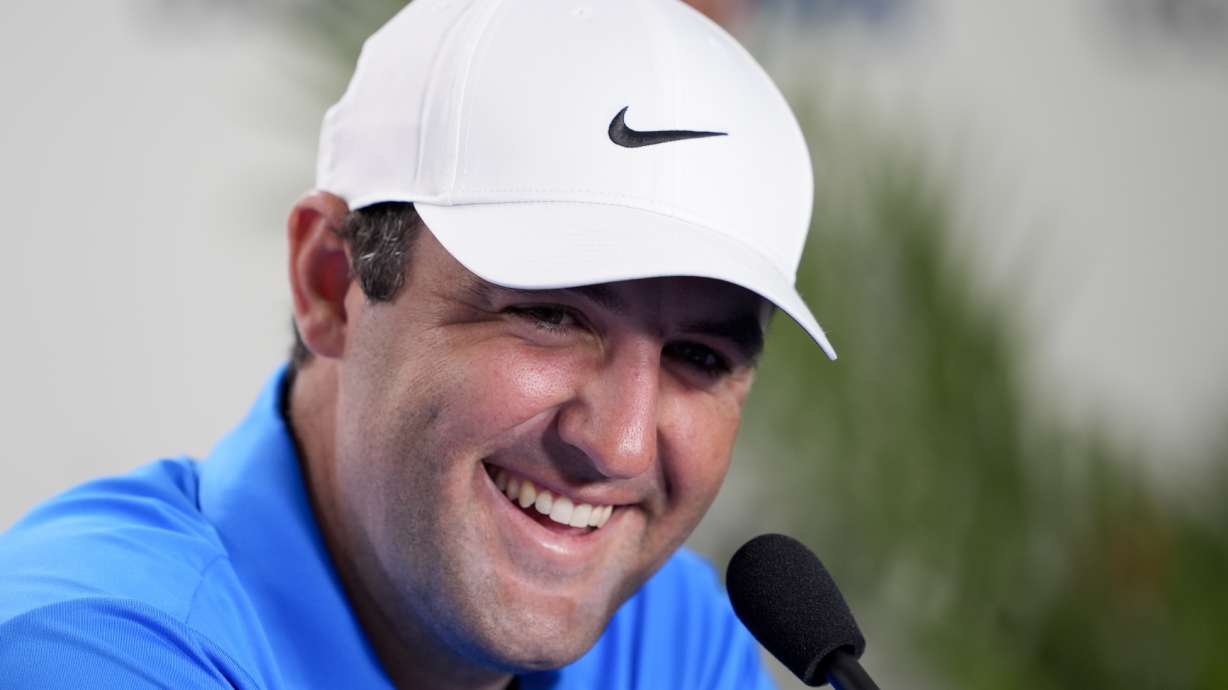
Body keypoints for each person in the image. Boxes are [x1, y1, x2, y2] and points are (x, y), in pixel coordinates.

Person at [0, 1, 838, 688]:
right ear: (330, 283)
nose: (618, 446)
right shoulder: (90, 651)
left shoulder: (674, 643)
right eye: (553, 316)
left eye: (702, 358)